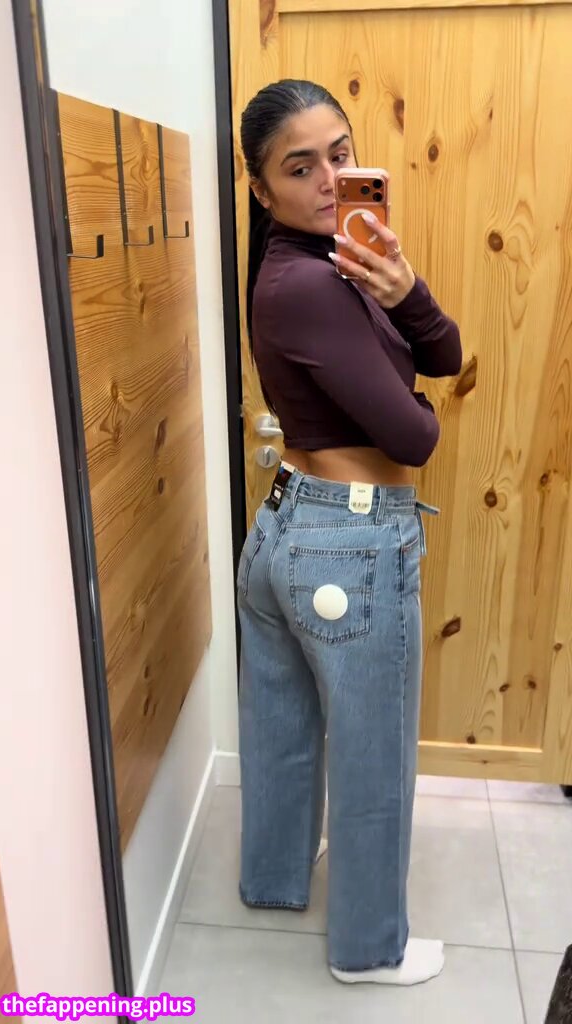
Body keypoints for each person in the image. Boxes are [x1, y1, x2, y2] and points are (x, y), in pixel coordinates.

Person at [236, 79, 462, 986]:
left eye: (340, 153)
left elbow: (442, 353)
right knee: (373, 758)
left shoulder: (333, 264)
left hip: (291, 526)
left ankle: (274, 879)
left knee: (283, 726)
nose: (331, 179)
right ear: (262, 191)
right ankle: (369, 950)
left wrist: (404, 290)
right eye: (301, 168)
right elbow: (415, 435)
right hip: (350, 542)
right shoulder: (307, 285)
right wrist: (413, 391)